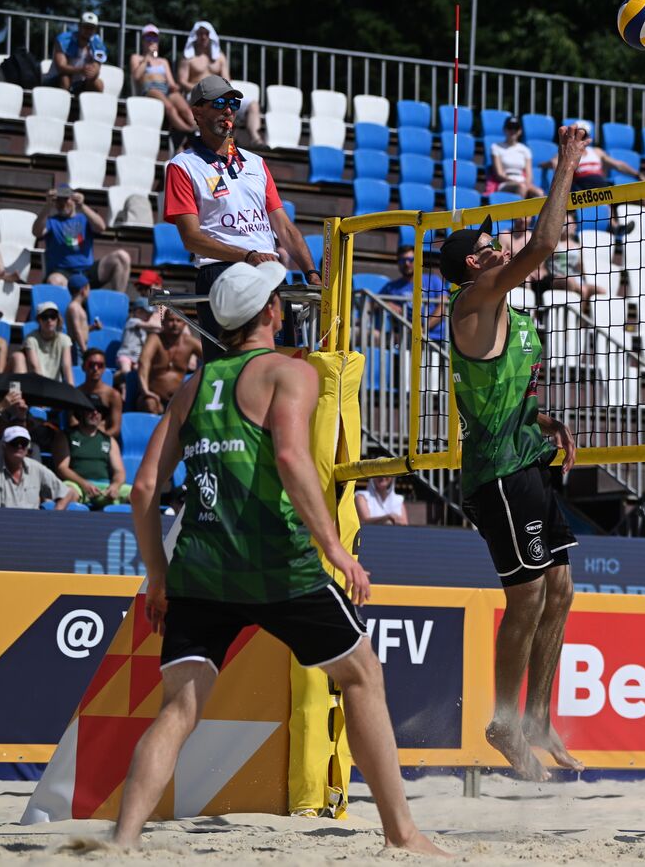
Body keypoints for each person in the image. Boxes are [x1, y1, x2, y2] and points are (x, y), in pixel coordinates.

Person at [111, 261, 447, 857]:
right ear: (271, 311)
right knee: (363, 676)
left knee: (178, 709)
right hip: (278, 566)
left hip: (199, 570)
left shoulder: (191, 387)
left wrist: (158, 578)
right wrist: (335, 547)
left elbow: (142, 492)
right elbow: (293, 460)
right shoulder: (288, 374)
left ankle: (122, 838)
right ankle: (403, 834)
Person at [439, 124, 589, 781]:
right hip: (497, 473)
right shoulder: (474, 299)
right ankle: (505, 717)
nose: (498, 242)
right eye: (488, 242)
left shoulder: (514, 313)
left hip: (524, 458)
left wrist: (547, 419)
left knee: (561, 589)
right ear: (474, 262)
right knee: (527, 596)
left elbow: (508, 389)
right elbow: (549, 241)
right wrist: (567, 163)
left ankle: (538, 717)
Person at [164, 75, 320, 357]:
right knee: (230, 367)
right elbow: (191, 239)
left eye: (234, 103)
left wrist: (312, 272)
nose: (228, 110)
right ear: (197, 111)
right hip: (222, 272)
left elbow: (283, 227)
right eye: (220, 103)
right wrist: (247, 256)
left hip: (268, 272)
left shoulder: (256, 163)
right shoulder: (182, 165)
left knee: (281, 361)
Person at [541, 122, 640, 241]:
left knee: (608, 192)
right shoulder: (570, 153)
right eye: (579, 135)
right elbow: (551, 162)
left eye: (584, 135)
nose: (582, 138)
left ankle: (615, 227)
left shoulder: (597, 152)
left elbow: (618, 165)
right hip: (582, 188)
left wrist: (638, 175)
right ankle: (612, 227)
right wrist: (552, 166)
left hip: (601, 188)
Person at [176, 21, 265, 146]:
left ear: (211, 36)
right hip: (197, 94)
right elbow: (182, 81)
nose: (203, 37)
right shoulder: (188, 57)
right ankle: (209, 143)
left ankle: (256, 139)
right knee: (213, 104)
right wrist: (203, 90)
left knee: (253, 105)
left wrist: (220, 92)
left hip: (220, 94)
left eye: (206, 34)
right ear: (195, 36)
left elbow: (227, 80)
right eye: (200, 34)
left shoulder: (219, 57)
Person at [32, 184, 131, 291]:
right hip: (63, 273)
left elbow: (101, 227)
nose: (62, 204)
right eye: (59, 200)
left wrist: (82, 206)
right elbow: (37, 232)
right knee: (54, 280)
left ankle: (119, 302)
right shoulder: (52, 221)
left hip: (87, 272)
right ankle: (70, 307)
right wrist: (48, 205)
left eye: (66, 199)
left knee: (122, 257)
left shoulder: (84, 218)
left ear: (73, 199)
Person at [53, 398, 129, 507]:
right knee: (68, 493)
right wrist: (84, 484)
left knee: (136, 494)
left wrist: (115, 486)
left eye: (99, 410)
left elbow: (120, 471)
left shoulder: (109, 440)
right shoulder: (66, 436)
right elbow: (62, 468)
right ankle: (55, 521)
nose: (95, 413)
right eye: (90, 410)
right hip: (77, 485)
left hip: (105, 488)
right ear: (81, 412)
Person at [0, 425, 76, 509]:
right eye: (14, 442)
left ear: (28, 448)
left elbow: (67, 492)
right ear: (4, 446)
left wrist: (56, 515)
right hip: (2, 524)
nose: (19, 446)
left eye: (23, 443)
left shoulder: (36, 468)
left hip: (32, 524)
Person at [129, 24, 196, 133]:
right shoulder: (137, 58)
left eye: (154, 39)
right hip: (150, 89)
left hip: (166, 90)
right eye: (148, 38)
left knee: (186, 110)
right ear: (143, 41)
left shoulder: (163, 61)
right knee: (170, 108)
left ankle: (199, 131)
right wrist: (147, 58)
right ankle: (189, 131)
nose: (151, 41)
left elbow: (171, 83)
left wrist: (175, 87)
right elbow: (136, 76)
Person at [378, 245, 447, 343]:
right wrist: (386, 304)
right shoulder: (392, 287)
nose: (406, 263)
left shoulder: (433, 280)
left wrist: (423, 328)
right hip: (408, 339)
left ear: (418, 259)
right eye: (402, 260)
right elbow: (373, 303)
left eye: (410, 259)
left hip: (437, 339)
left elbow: (443, 306)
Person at [531, 227, 605, 317]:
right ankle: (576, 320)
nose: (567, 227)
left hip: (576, 278)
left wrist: (585, 279)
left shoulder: (578, 246)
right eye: (564, 224)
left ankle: (590, 319)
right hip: (557, 277)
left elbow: (581, 266)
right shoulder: (554, 244)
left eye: (569, 224)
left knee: (601, 291)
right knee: (579, 288)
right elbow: (542, 263)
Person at [137, 311, 201, 413]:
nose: (175, 324)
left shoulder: (190, 343)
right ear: (163, 322)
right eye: (171, 320)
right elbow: (144, 361)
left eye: (178, 320)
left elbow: (212, 359)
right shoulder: (155, 339)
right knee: (150, 404)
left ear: (185, 323)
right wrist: (146, 391)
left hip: (178, 399)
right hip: (154, 397)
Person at [43, 11, 107, 95]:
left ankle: (90, 107)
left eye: (91, 28)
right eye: (86, 27)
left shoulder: (98, 44)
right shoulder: (64, 40)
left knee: (98, 84)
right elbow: (61, 67)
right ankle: (61, 105)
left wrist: (93, 73)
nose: (88, 30)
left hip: (79, 82)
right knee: (65, 78)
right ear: (79, 26)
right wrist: (81, 70)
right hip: (56, 79)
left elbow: (96, 68)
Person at [18, 302, 74, 384]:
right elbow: (35, 367)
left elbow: (67, 367)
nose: (49, 320)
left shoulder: (65, 339)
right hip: (36, 385)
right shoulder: (30, 339)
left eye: (53, 316)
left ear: (57, 319)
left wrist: (72, 391)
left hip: (55, 387)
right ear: (38, 320)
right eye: (44, 317)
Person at [489, 117, 544, 198]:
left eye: (516, 128)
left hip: (522, 181)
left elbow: (529, 175)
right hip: (505, 182)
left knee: (539, 193)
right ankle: (520, 211)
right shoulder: (496, 147)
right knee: (521, 187)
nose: (513, 131)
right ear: (504, 130)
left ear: (520, 131)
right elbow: (499, 174)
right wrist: (517, 182)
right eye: (510, 128)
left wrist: (525, 183)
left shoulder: (525, 150)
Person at [74, 347, 122, 436]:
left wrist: (98, 441)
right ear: (83, 367)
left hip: (103, 440)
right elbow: (72, 422)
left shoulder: (113, 395)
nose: (96, 368)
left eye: (100, 365)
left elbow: (116, 428)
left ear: (104, 368)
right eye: (91, 365)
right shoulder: (76, 393)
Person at [116, 297, 161, 375]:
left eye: (150, 314)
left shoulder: (144, 328)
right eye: (147, 313)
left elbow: (154, 330)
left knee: (140, 373)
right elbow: (149, 326)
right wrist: (162, 327)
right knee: (126, 372)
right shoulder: (132, 321)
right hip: (125, 355)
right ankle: (112, 380)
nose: (149, 316)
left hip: (137, 358)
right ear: (137, 311)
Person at [65, 272, 102, 352]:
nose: (90, 291)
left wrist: (93, 327)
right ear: (83, 290)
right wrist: (84, 351)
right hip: (77, 347)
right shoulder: (74, 308)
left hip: (81, 345)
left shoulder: (78, 307)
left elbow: (82, 330)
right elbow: (77, 331)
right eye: (89, 288)